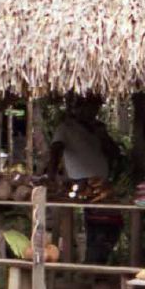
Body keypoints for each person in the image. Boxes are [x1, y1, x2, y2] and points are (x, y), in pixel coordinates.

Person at [47, 96, 123, 265]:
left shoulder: (98, 129)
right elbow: (55, 150)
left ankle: (97, 263)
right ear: (78, 108)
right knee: (95, 225)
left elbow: (114, 153)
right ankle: (92, 265)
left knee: (112, 223)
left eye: (95, 108)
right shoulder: (66, 127)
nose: (93, 112)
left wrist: (103, 137)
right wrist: (51, 177)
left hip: (102, 184)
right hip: (80, 184)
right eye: (89, 108)